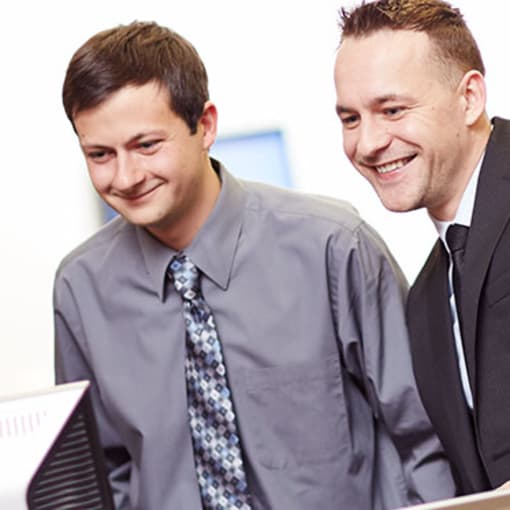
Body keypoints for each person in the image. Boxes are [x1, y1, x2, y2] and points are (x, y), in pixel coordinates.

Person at [54, 20, 454, 509]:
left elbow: (422, 437)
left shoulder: (332, 247)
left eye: (146, 145)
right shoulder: (80, 289)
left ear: (205, 125)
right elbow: (97, 475)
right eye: (100, 154)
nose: (126, 176)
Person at [334, 0, 510, 496]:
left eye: (392, 110)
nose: (367, 143)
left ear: (470, 97)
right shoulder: (428, 296)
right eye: (350, 118)